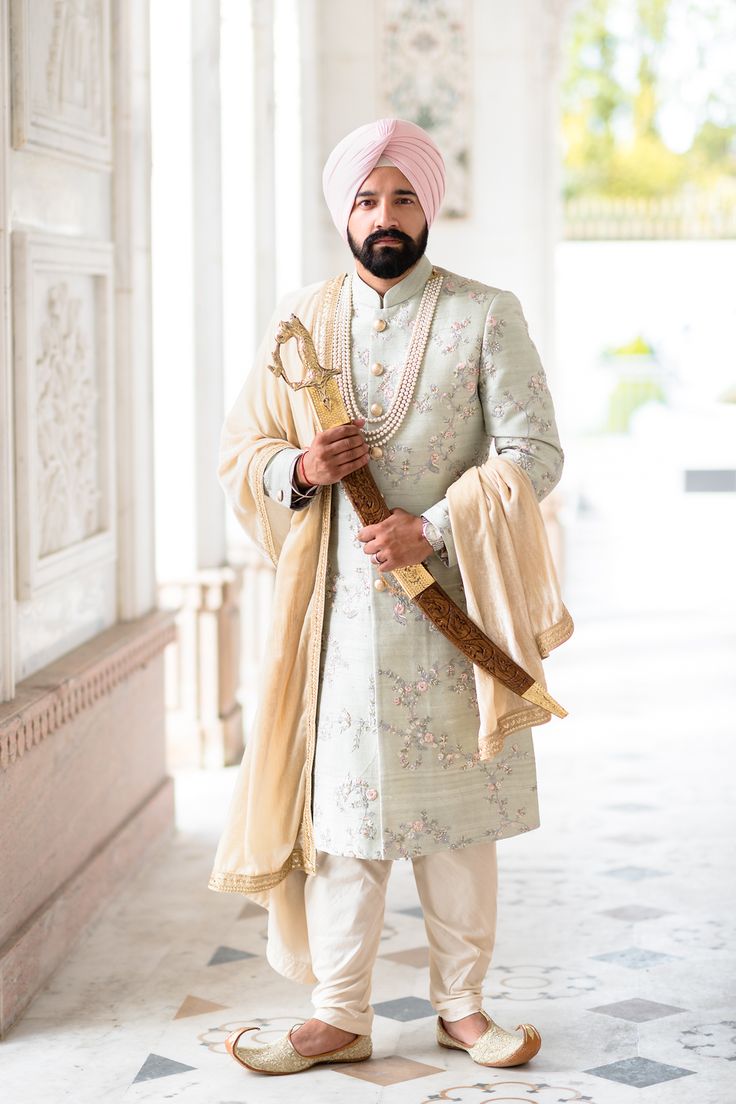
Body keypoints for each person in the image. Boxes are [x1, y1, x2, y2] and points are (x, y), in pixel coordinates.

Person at [211, 118, 569, 1076]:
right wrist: (299, 463)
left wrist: (436, 528)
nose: (385, 217)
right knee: (344, 822)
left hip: (449, 608)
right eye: (367, 200)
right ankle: (339, 1014)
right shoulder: (300, 326)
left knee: (459, 817)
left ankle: (463, 1008)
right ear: (344, 212)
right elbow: (239, 453)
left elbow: (535, 454)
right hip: (333, 615)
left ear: (429, 207)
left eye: (402, 197)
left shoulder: (486, 314)